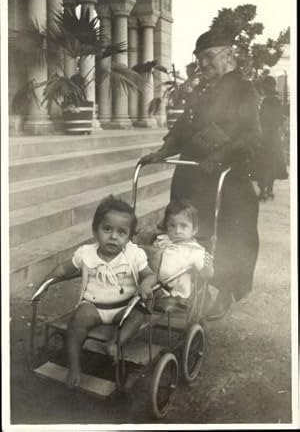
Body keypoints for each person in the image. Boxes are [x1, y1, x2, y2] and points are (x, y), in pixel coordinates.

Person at [140, 28, 262, 320]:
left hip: (228, 175)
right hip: (193, 173)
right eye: (199, 59)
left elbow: (252, 133)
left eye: (208, 57)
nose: (202, 65)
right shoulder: (201, 91)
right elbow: (184, 127)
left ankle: (224, 291)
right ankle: (190, 285)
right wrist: (164, 151)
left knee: (230, 234)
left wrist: (220, 157)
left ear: (229, 56)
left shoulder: (244, 89)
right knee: (186, 229)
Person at [40, 195, 156, 388]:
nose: (113, 236)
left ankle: (115, 344)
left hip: (123, 306)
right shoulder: (86, 253)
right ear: (95, 230)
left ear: (129, 237)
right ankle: (75, 367)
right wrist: (46, 282)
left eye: (122, 232)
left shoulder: (134, 254)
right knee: (77, 322)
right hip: (93, 306)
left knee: (137, 316)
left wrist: (145, 284)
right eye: (107, 229)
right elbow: (63, 269)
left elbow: (150, 275)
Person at [153, 200, 214, 302]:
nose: (177, 231)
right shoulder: (163, 239)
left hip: (174, 293)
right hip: (151, 282)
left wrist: (208, 267)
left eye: (183, 226)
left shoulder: (195, 250)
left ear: (194, 230)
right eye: (172, 226)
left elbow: (206, 276)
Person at [256, 76, 288, 201]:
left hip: (265, 136)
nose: (263, 88)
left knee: (264, 163)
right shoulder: (276, 100)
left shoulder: (269, 101)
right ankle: (269, 190)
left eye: (264, 86)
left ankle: (264, 191)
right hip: (273, 136)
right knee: (271, 163)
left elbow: (264, 118)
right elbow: (280, 118)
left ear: (269, 86)